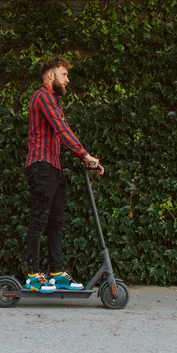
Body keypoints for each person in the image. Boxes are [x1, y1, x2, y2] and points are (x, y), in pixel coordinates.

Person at [24, 57, 104, 293]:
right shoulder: (43, 96)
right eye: (63, 74)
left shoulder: (55, 102)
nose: (67, 79)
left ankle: (56, 273)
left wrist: (83, 157)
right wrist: (84, 154)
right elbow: (61, 129)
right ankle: (32, 275)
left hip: (54, 167)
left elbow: (61, 130)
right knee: (39, 220)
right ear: (50, 75)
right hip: (41, 165)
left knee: (57, 222)